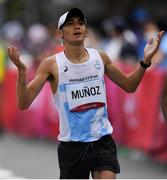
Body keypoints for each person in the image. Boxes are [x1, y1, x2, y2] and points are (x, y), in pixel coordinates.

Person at [8, 8, 164, 179]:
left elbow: (129, 85)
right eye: (71, 24)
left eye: (81, 23)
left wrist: (145, 61)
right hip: (72, 147)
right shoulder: (51, 65)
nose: (77, 27)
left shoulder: (100, 58)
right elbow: (24, 103)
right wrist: (22, 72)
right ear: (60, 33)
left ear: (86, 31)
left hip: (102, 141)